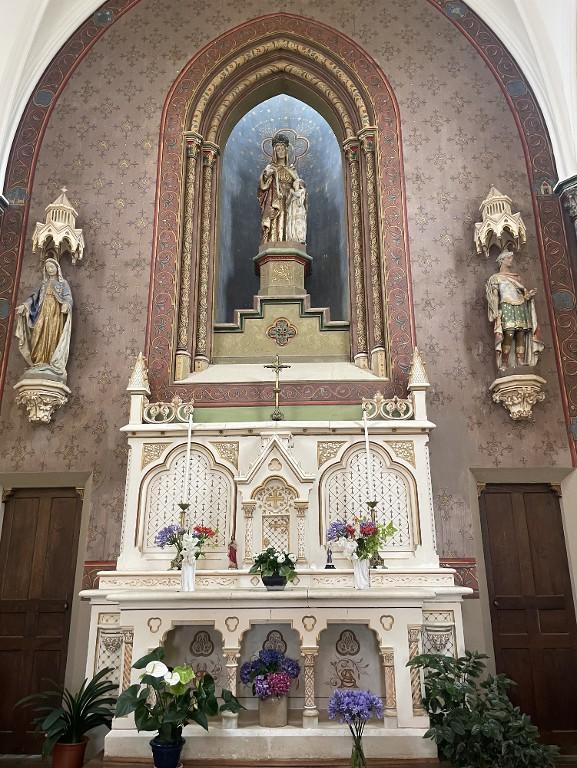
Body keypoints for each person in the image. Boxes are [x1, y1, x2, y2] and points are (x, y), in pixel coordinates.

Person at [485, 248, 544, 372]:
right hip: (506, 306)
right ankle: (505, 361)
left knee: (521, 334)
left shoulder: (517, 278)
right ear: (502, 260)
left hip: (520, 306)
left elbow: (523, 295)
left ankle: (520, 360)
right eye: (509, 258)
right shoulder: (496, 278)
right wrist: (495, 310)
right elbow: (494, 296)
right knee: (509, 333)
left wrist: (529, 295)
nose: (511, 260)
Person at [15, 257, 73, 379]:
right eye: (48, 268)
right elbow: (33, 298)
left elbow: (68, 297)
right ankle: (38, 361)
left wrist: (66, 304)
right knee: (38, 333)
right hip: (42, 312)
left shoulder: (63, 284)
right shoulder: (43, 284)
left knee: (52, 334)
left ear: (58, 268)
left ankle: (50, 363)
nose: (50, 270)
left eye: (52, 267)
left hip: (55, 314)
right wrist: (25, 306)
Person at [257, 133, 302, 244]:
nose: (280, 151)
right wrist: (266, 175)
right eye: (278, 149)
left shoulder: (292, 170)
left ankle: (289, 241)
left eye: (282, 149)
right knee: (276, 219)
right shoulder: (271, 167)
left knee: (288, 220)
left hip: (290, 199)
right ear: (274, 152)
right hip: (275, 198)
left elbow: (299, 186)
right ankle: (273, 241)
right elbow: (262, 185)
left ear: (286, 151)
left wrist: (299, 188)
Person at [286, 178, 307, 244]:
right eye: (294, 183)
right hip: (292, 210)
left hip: (298, 210)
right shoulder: (292, 194)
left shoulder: (302, 190)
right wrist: (290, 195)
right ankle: (292, 238)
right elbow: (287, 202)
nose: (293, 184)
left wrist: (292, 192)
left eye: (295, 183)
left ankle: (299, 238)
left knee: (298, 223)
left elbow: (298, 196)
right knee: (292, 223)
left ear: (299, 184)